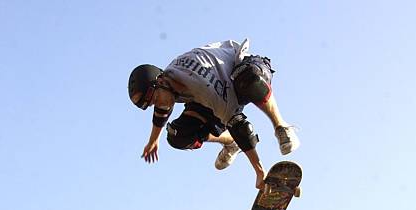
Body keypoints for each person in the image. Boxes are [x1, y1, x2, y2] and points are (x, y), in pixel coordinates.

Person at [128, 39, 300, 189]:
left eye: (154, 99)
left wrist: (259, 171)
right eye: (150, 105)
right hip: (214, 92)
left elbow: (240, 127)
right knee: (177, 136)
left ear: (160, 81)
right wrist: (153, 140)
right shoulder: (167, 82)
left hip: (245, 67)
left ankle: (281, 126)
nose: (157, 105)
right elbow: (161, 112)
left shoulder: (204, 87)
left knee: (248, 80)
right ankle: (231, 143)